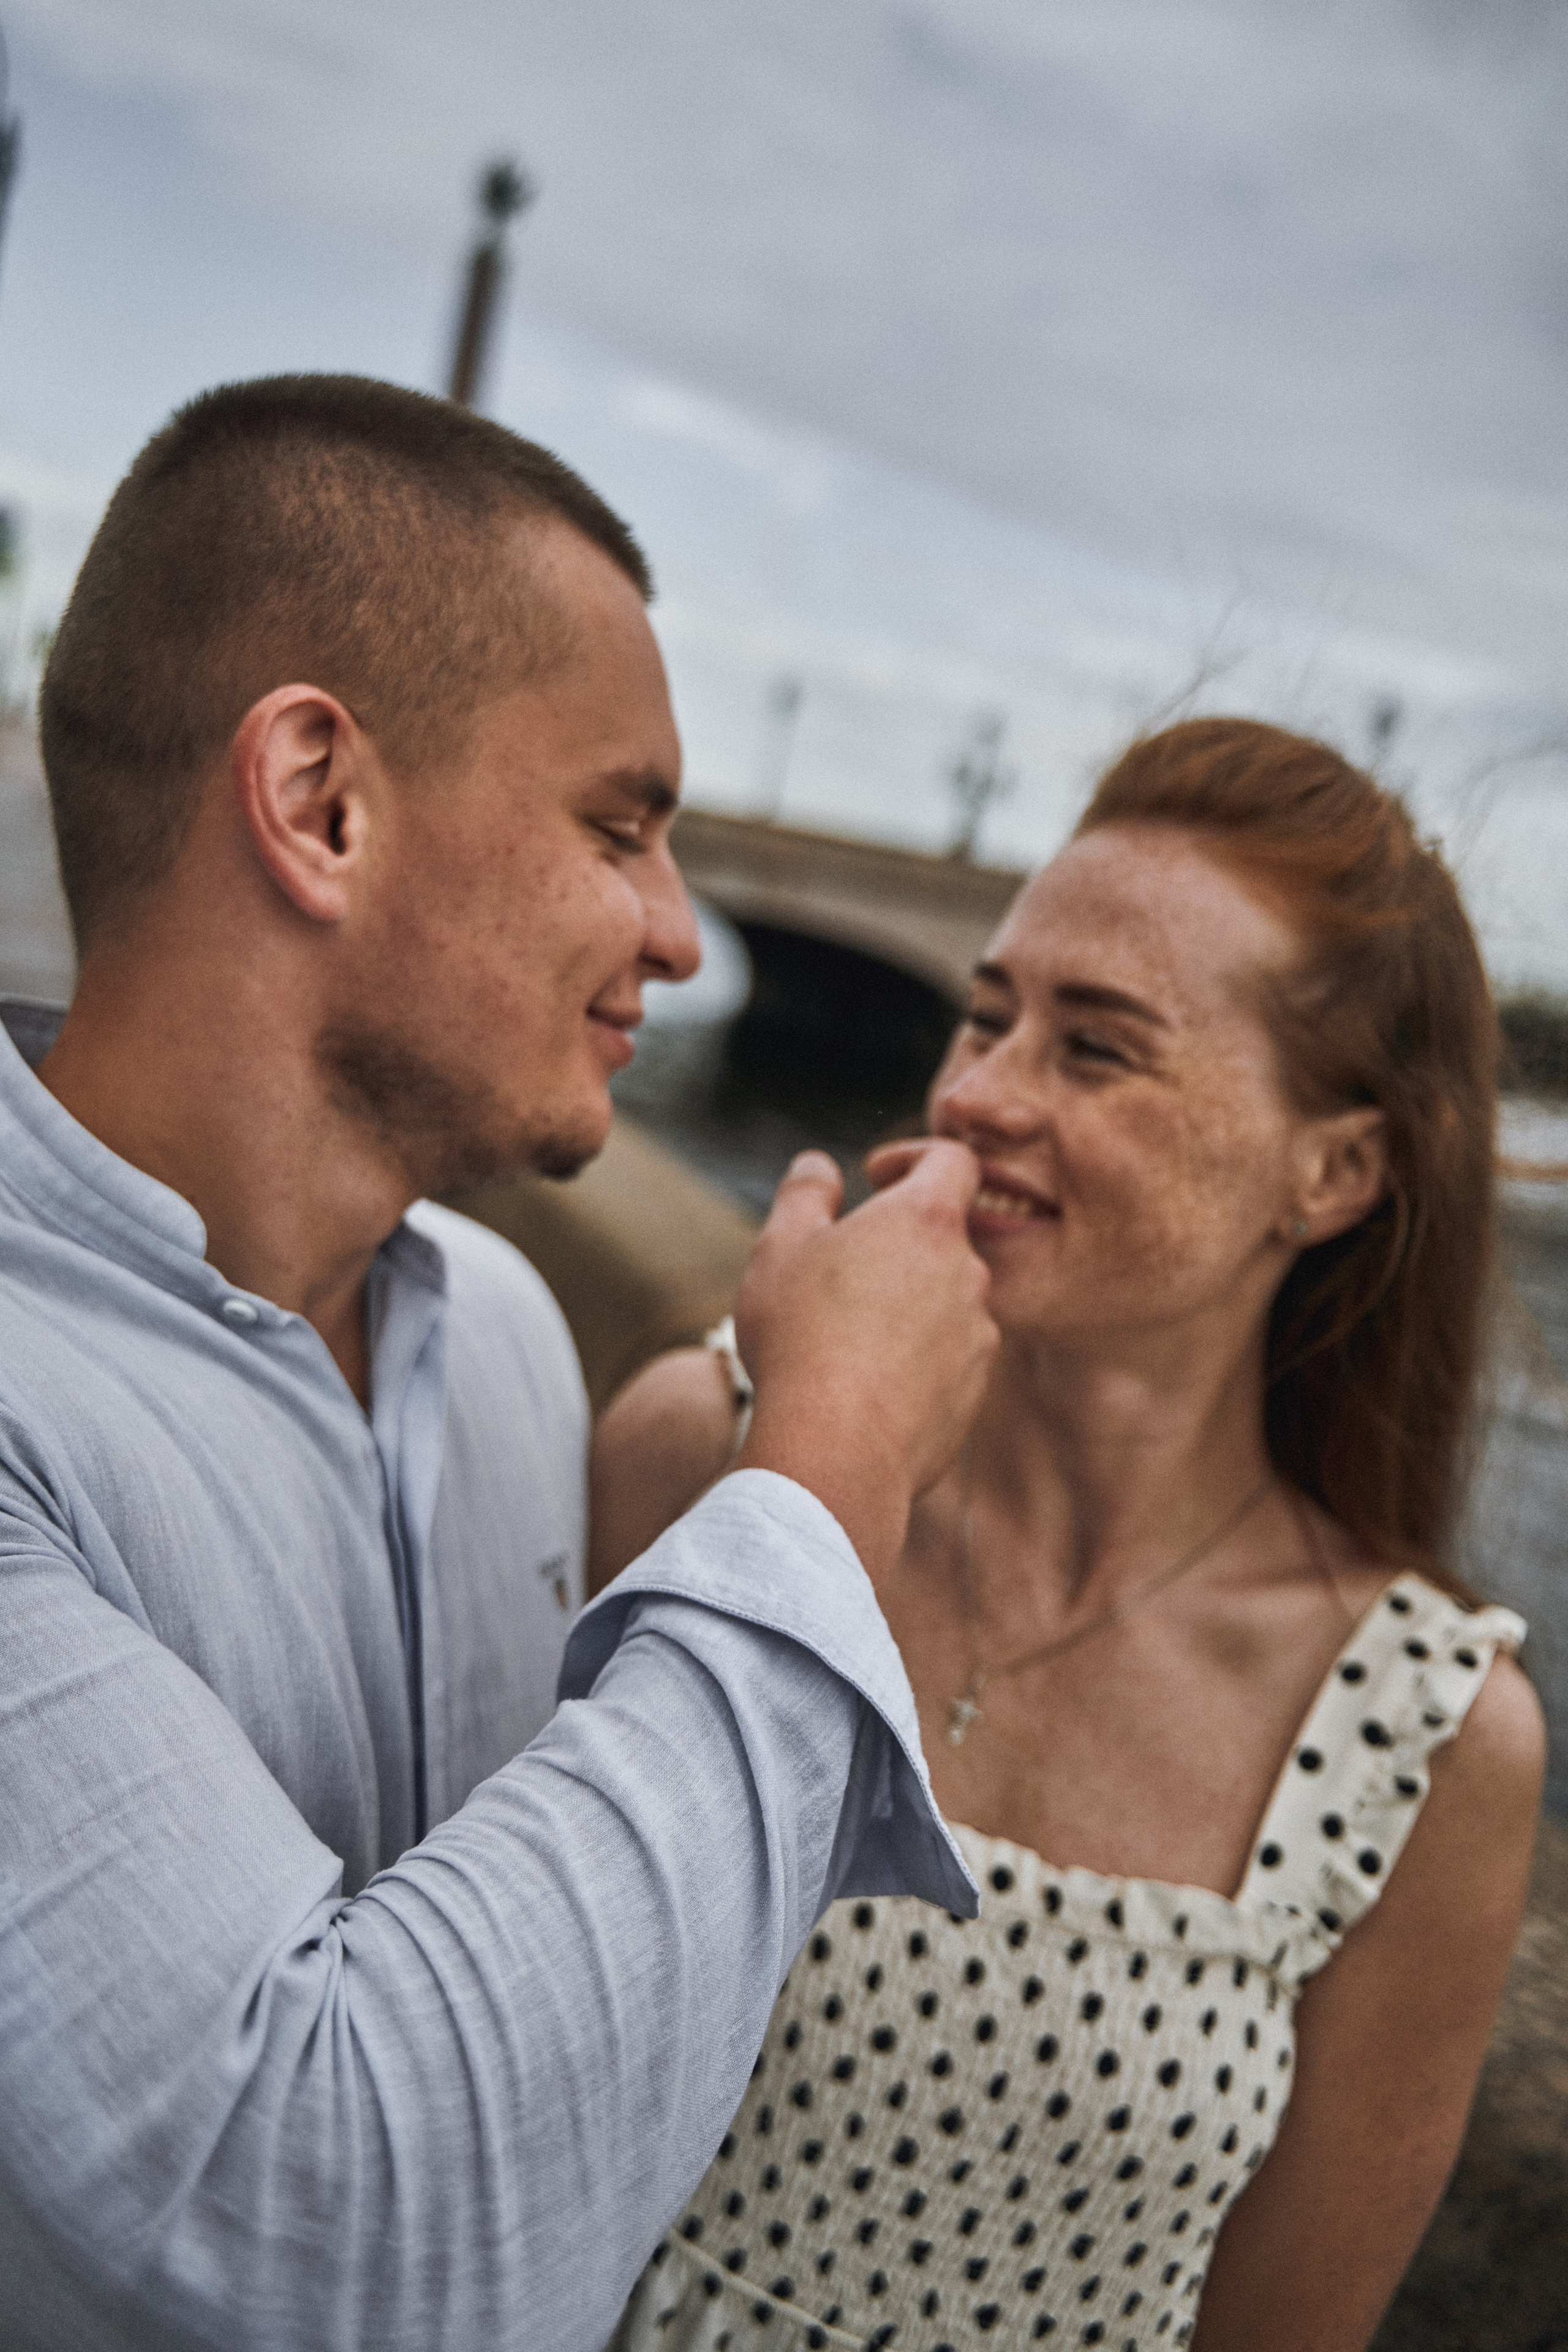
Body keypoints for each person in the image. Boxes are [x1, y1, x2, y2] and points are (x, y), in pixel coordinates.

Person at [0, 375, 1001, 2352]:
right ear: (320, 803)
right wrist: (830, 1467)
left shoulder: (518, 1331)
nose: (683, 935)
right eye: (620, 824)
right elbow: (334, 2231)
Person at [594, 718, 1547, 2352]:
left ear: (1335, 1171)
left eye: (1093, 1048)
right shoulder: (709, 1459)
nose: (975, 1092)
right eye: (986, 1016)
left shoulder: (1427, 1739)